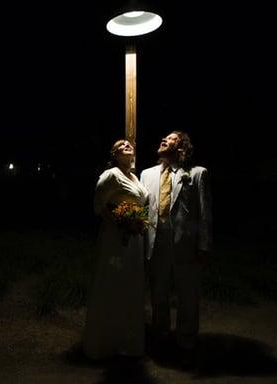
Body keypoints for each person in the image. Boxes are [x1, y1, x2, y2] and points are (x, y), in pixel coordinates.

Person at [140, 131, 212, 367]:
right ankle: (160, 335)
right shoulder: (147, 174)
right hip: (156, 241)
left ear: (181, 147)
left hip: (186, 244)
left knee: (187, 295)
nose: (163, 139)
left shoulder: (196, 173)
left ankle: (186, 341)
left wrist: (203, 246)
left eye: (170, 138)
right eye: (163, 137)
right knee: (158, 293)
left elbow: (204, 214)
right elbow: (143, 209)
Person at [83, 139, 149, 360]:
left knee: (130, 284)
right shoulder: (110, 175)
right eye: (121, 145)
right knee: (113, 281)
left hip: (135, 239)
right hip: (115, 236)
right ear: (115, 153)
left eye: (129, 145)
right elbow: (98, 206)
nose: (126, 146)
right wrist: (121, 222)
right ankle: (105, 342)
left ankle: (127, 340)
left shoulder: (135, 177)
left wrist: (136, 222)